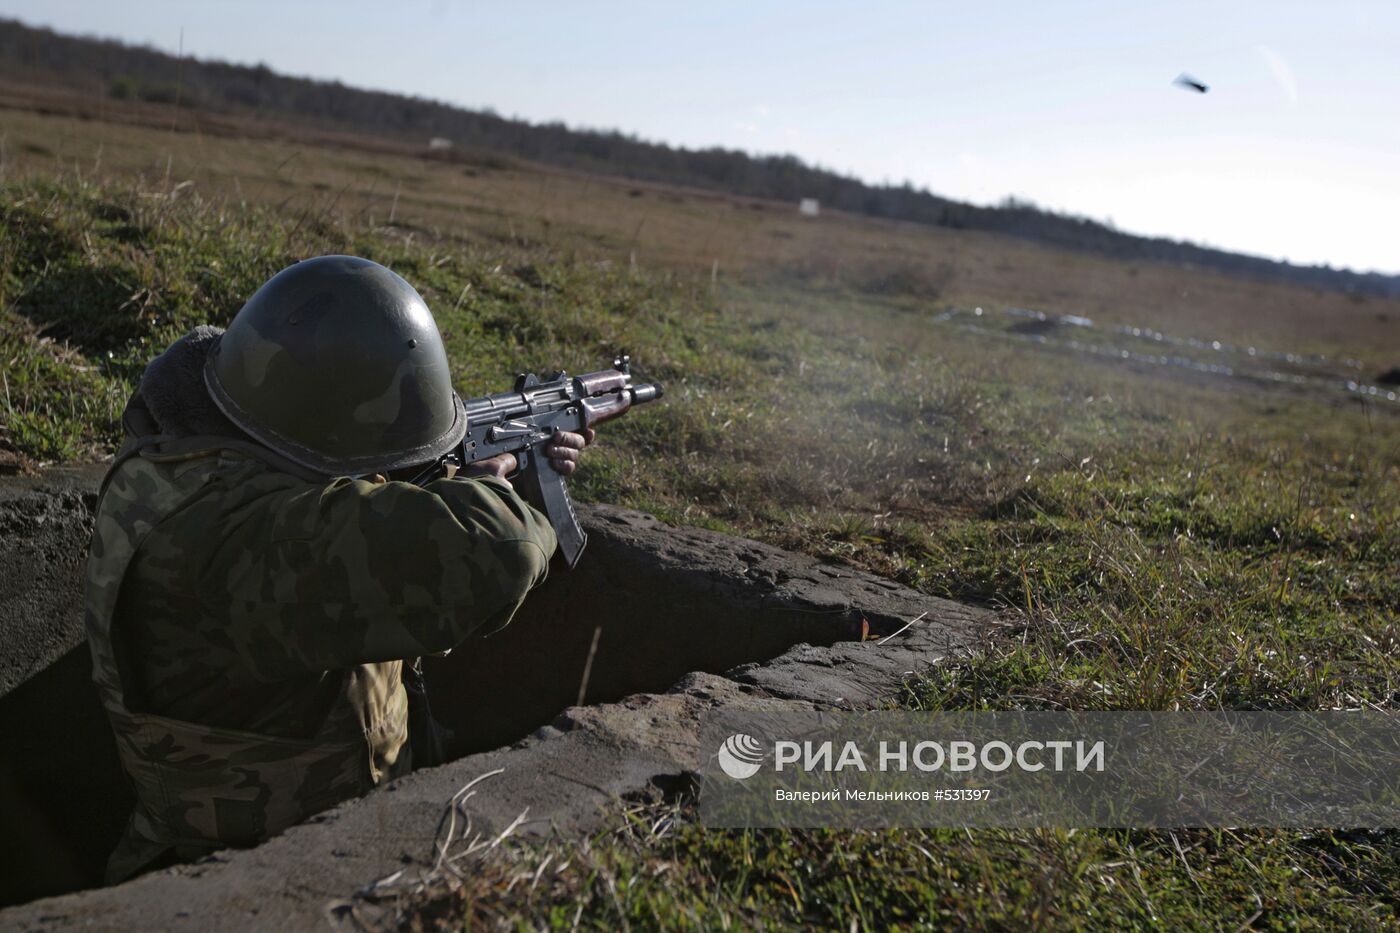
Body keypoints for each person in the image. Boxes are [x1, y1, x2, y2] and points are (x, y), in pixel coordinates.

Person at [84, 255, 592, 882]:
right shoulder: (240, 533)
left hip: (296, 839)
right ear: (328, 441)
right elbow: (500, 548)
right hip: (246, 879)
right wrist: (499, 489)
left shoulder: (174, 465)